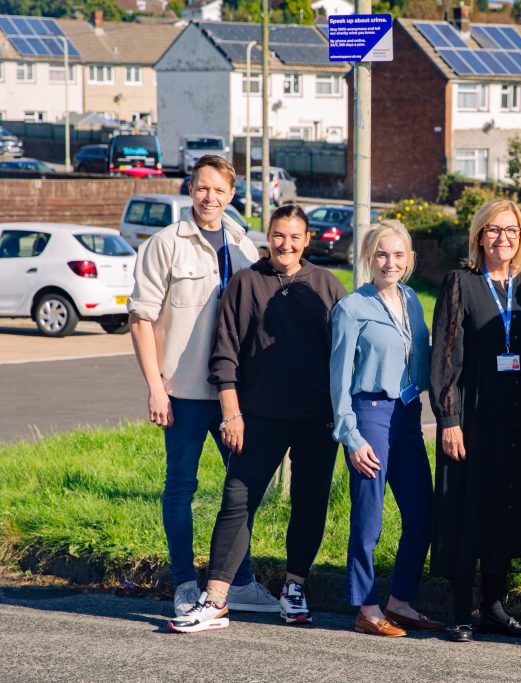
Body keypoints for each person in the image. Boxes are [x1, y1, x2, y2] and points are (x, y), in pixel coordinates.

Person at [167, 205, 346, 633]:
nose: (286, 244)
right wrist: (231, 414)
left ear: (307, 240)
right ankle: (216, 599)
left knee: (310, 502)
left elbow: (347, 351)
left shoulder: (327, 286)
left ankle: (295, 588)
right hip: (259, 418)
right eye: (279, 235)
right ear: (268, 237)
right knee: (237, 502)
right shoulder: (246, 284)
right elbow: (224, 354)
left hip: (317, 420)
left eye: (295, 237)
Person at [128, 155, 278, 617]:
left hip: (233, 395)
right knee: (181, 489)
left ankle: (242, 582)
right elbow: (140, 319)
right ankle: (184, 583)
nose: (209, 197)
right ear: (190, 190)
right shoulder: (165, 244)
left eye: (218, 190)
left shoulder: (245, 245)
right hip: (185, 393)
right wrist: (156, 387)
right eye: (201, 188)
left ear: (232, 195)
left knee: (243, 488)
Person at [429, 199, 521, 643]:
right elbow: (445, 356)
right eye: (494, 230)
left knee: (509, 504)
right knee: (469, 506)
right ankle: (462, 611)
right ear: (479, 236)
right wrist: (448, 418)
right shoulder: (460, 282)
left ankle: (495, 608)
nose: (503, 238)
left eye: (512, 231)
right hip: (474, 415)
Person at [329, 220, 442, 638]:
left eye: (398, 255)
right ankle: (366, 606)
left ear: (409, 259)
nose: (389, 262)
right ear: (367, 258)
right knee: (369, 518)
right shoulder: (351, 308)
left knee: (422, 514)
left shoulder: (412, 300)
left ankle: (401, 601)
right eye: (381, 254)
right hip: (370, 414)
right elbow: (338, 380)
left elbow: (424, 357)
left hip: (408, 414)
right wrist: (351, 436)